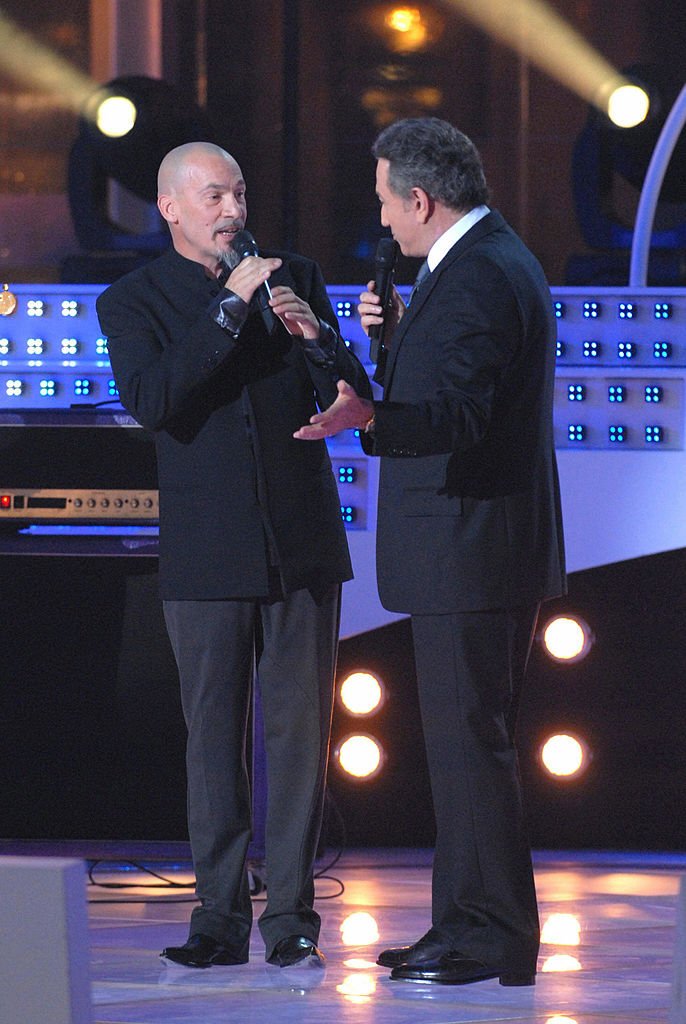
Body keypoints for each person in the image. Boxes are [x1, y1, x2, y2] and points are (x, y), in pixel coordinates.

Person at [295, 117, 566, 986]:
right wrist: (398, 331)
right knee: (464, 745)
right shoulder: (479, 263)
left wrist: (366, 417)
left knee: (469, 745)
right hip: (474, 548)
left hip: (471, 548)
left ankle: (490, 933)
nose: (383, 220)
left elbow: (457, 417)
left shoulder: (481, 274)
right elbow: (452, 381)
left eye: (385, 202)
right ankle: (468, 925)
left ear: (422, 198)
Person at [96, 141, 371, 970]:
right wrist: (226, 310)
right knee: (213, 737)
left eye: (240, 194)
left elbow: (349, 389)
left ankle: (290, 917)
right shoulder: (133, 301)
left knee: (299, 735)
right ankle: (217, 916)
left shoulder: (297, 276)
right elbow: (154, 402)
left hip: (301, 543)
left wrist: (318, 338)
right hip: (207, 549)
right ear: (172, 208)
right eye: (214, 196)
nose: (233, 211)